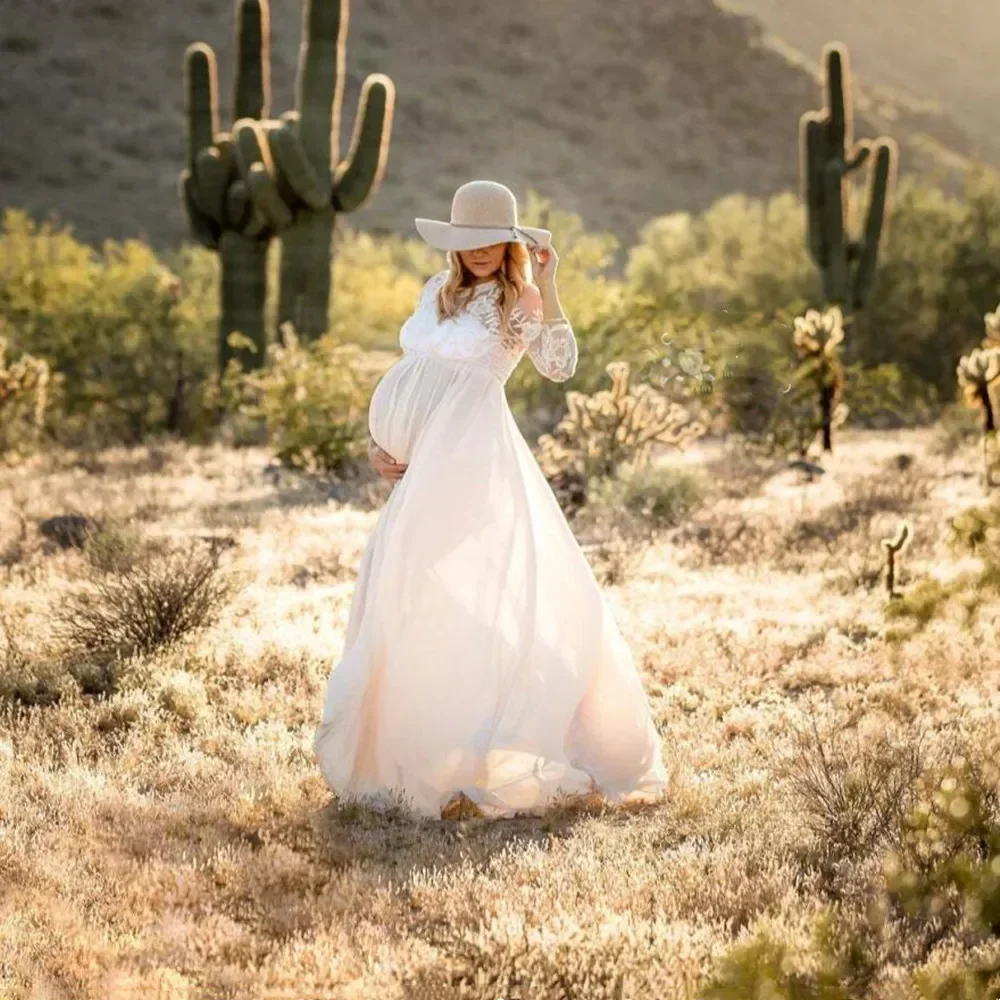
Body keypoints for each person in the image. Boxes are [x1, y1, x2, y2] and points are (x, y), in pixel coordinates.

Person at [313, 180, 667, 820]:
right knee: (407, 588)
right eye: (466, 242)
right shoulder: (438, 292)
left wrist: (550, 284)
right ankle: (421, 743)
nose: (476, 253)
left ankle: (508, 734)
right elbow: (415, 373)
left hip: (469, 451)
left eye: (488, 242)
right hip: (417, 462)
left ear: (508, 242)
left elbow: (560, 364)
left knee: (463, 585)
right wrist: (381, 442)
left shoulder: (518, 299)